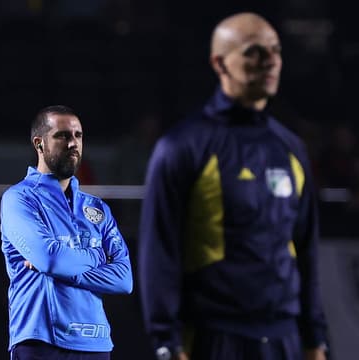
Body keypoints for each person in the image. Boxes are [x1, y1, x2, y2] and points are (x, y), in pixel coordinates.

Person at [138, 12, 328, 360]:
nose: (270, 60)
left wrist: (316, 339)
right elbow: (159, 252)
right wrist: (166, 341)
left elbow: (307, 252)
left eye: (276, 50)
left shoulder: (291, 149)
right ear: (219, 63)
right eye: (254, 51)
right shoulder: (182, 147)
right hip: (214, 338)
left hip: (284, 338)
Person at [0, 105, 133, 360]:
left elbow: (124, 279)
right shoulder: (19, 199)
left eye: (78, 135)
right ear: (39, 144)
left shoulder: (97, 209)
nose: (73, 143)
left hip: (95, 342)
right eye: (63, 136)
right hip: (40, 341)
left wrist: (63, 269)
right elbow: (51, 259)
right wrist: (96, 258)